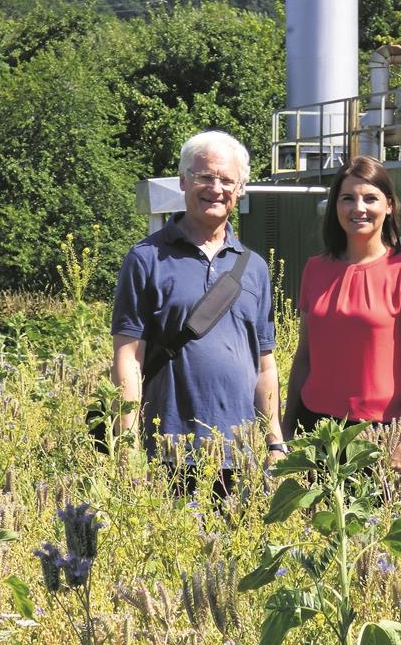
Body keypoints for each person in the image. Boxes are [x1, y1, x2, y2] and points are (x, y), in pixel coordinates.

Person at [111, 130, 285, 495]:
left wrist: (274, 442)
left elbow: (264, 366)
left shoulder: (253, 267)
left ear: (240, 189)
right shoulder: (146, 258)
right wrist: (125, 444)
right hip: (170, 451)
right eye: (205, 177)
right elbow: (128, 359)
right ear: (183, 181)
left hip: (242, 451)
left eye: (226, 180)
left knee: (239, 549)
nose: (215, 188)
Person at [282, 156, 401, 473]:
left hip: (381, 433)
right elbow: (305, 356)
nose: (358, 208)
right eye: (348, 198)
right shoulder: (316, 269)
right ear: (335, 206)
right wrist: (286, 430)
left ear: (390, 206)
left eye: (370, 198)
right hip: (316, 428)